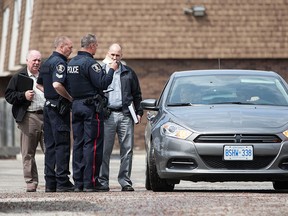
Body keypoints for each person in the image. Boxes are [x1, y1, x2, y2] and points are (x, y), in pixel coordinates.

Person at [66, 33, 117, 192]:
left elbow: (66, 84)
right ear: (92, 46)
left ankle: (79, 182)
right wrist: (111, 70)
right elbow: (102, 82)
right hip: (90, 108)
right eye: (97, 46)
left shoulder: (71, 63)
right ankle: (91, 182)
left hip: (76, 105)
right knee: (93, 144)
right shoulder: (90, 63)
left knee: (78, 144)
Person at [98, 43, 143, 192]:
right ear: (107, 54)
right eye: (112, 55)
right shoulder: (102, 71)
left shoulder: (128, 72)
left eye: (118, 55)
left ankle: (125, 181)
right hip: (108, 115)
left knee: (127, 150)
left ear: (121, 56)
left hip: (125, 115)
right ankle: (103, 181)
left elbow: (137, 94)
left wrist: (139, 112)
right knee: (105, 150)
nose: (115, 58)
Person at [36, 36, 74, 192]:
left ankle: (50, 182)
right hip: (58, 110)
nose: (71, 50)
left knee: (50, 146)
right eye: (70, 47)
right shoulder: (59, 63)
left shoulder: (46, 62)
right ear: (62, 47)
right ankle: (62, 182)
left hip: (48, 108)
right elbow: (57, 84)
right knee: (62, 146)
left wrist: (50, 95)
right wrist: (68, 98)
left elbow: (39, 85)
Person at [5, 50, 45, 192]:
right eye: (34, 60)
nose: (36, 63)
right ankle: (31, 181)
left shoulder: (45, 75)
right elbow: (9, 95)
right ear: (27, 60)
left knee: (51, 150)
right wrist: (23, 95)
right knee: (28, 152)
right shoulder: (19, 77)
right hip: (29, 117)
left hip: (47, 116)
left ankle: (53, 180)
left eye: (39, 60)